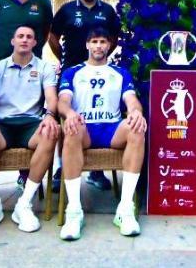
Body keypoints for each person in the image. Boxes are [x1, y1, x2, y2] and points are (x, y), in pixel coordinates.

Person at [56, 26, 146, 240]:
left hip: (111, 128)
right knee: (71, 128)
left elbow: (131, 100)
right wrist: (69, 114)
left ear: (109, 46)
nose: (98, 46)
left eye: (103, 42)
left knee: (137, 128)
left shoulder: (120, 72)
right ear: (87, 45)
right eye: (94, 41)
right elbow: (63, 101)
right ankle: (74, 211)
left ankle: (125, 209)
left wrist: (135, 113)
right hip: (84, 128)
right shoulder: (73, 72)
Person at [0, 24, 60, 235]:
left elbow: (51, 98)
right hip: (2, 124)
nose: (24, 40)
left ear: (35, 43)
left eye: (29, 37)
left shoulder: (45, 67)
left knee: (50, 132)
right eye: (20, 36)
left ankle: (24, 203)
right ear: (13, 41)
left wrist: (49, 116)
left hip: (30, 123)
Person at [49, 0, 121, 191]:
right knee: (67, 117)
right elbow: (52, 36)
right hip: (71, 70)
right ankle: (62, 167)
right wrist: (62, 56)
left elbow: (115, 37)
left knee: (97, 113)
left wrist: (102, 57)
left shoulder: (107, 11)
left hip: (99, 72)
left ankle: (96, 171)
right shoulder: (68, 9)